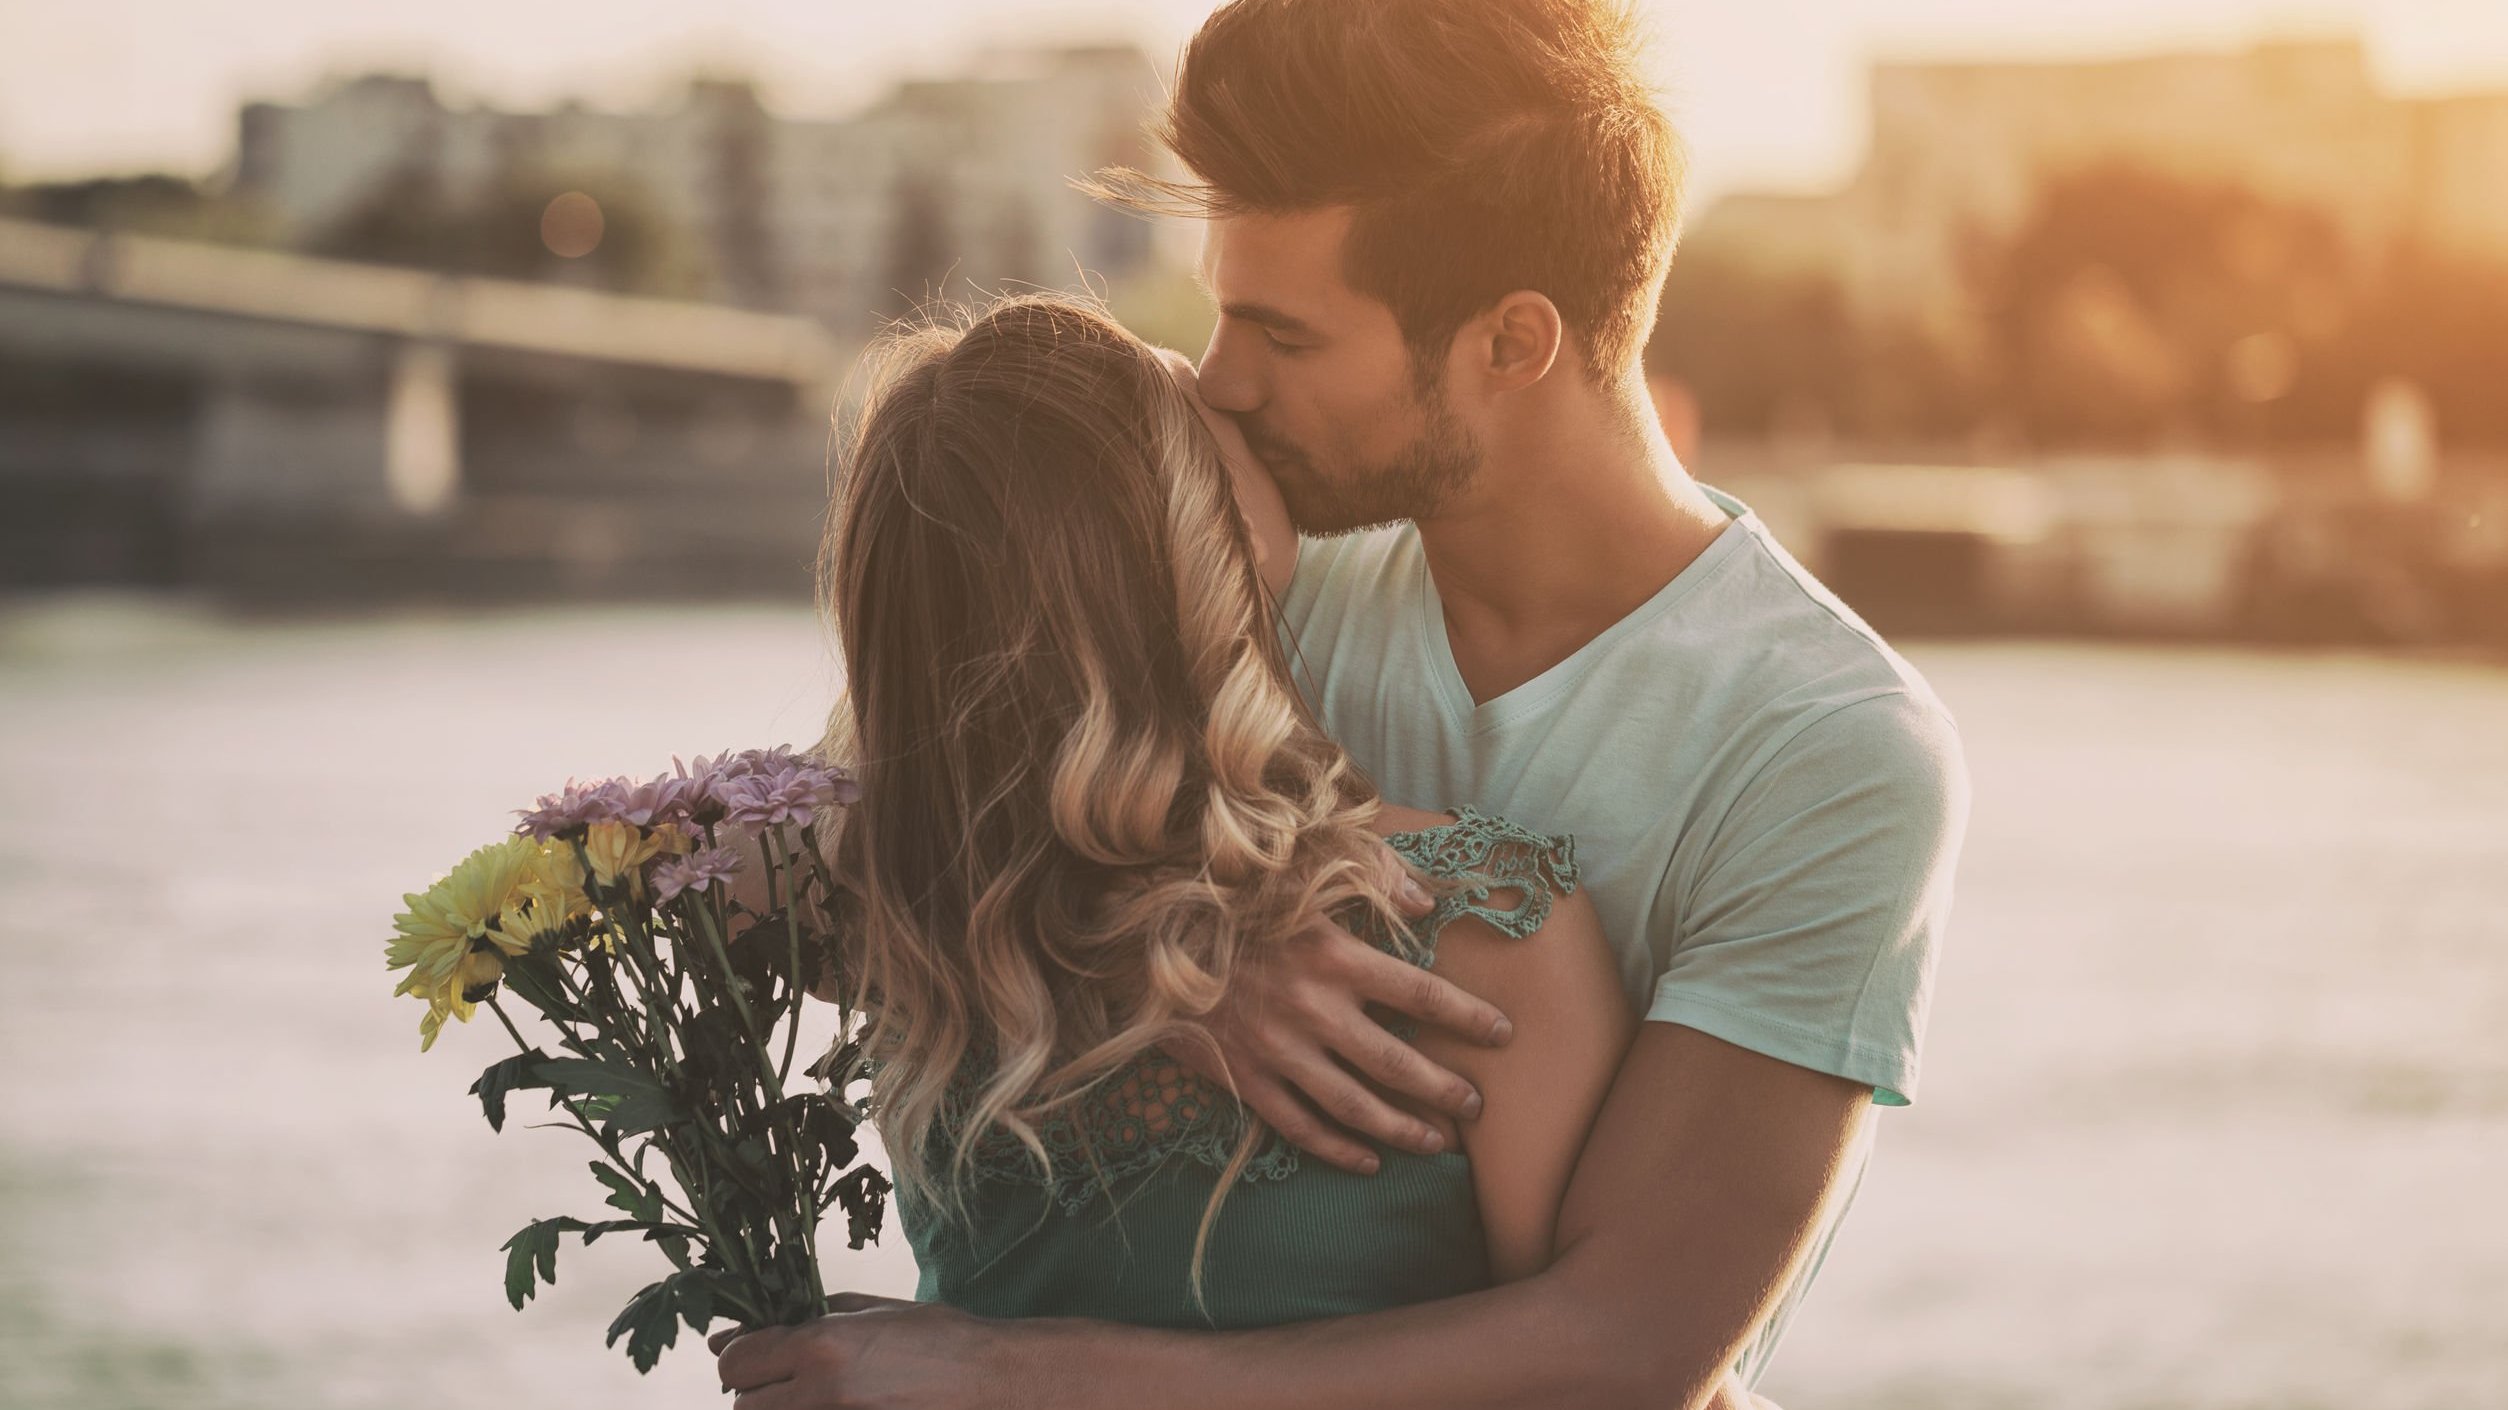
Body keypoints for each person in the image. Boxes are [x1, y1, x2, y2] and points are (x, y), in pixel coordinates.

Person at [716, 1, 1969, 1406]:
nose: (1220, 380)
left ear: (1511, 341)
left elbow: (1629, 1347)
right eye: (1218, 311)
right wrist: (1164, 943)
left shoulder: (1827, 747)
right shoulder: (1243, 566)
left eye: (1283, 335)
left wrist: (1007, 1371)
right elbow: (835, 833)